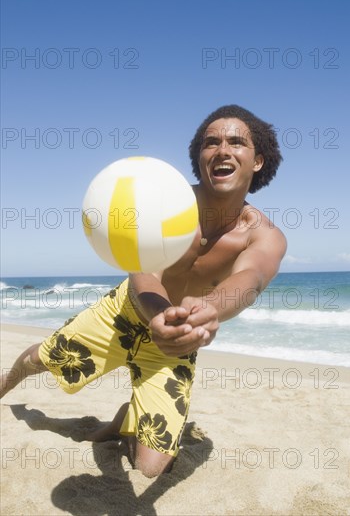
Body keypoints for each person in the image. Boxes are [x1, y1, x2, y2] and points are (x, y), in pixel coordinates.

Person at [1, 104, 287, 478]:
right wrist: (157, 316)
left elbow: (250, 279)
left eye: (237, 142)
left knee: (150, 468)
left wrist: (209, 311)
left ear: (258, 161)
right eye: (210, 142)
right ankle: (5, 383)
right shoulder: (163, 201)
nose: (222, 150)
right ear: (198, 157)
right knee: (41, 359)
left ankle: (125, 417)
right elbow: (143, 271)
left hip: (177, 338)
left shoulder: (264, 234)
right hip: (126, 312)